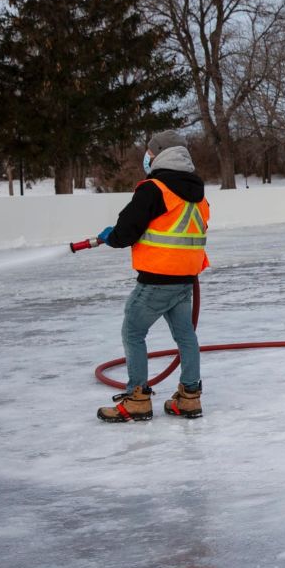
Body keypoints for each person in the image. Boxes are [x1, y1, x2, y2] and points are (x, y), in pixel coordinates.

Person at [96, 130, 209, 422]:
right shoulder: (197, 192)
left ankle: (136, 399)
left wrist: (112, 236)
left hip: (157, 278)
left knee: (133, 332)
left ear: (159, 154)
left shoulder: (154, 189)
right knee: (185, 336)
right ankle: (189, 397)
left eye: (149, 151)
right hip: (185, 279)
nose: (146, 156)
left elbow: (126, 231)